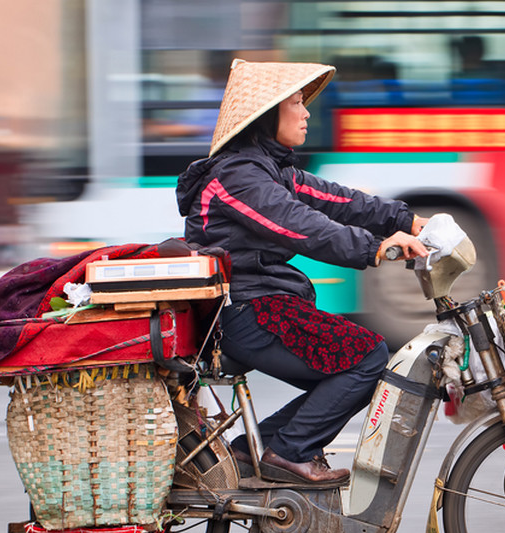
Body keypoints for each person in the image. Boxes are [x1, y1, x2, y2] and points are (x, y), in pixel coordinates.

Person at [176, 60, 429, 485]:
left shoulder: (273, 171)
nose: (306, 112)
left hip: (269, 303)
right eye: (296, 103)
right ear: (267, 115)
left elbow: (341, 201)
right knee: (367, 357)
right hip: (247, 312)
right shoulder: (236, 177)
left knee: (361, 363)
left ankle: (250, 452)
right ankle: (288, 452)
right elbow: (300, 225)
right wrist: (375, 249)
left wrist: (405, 220)